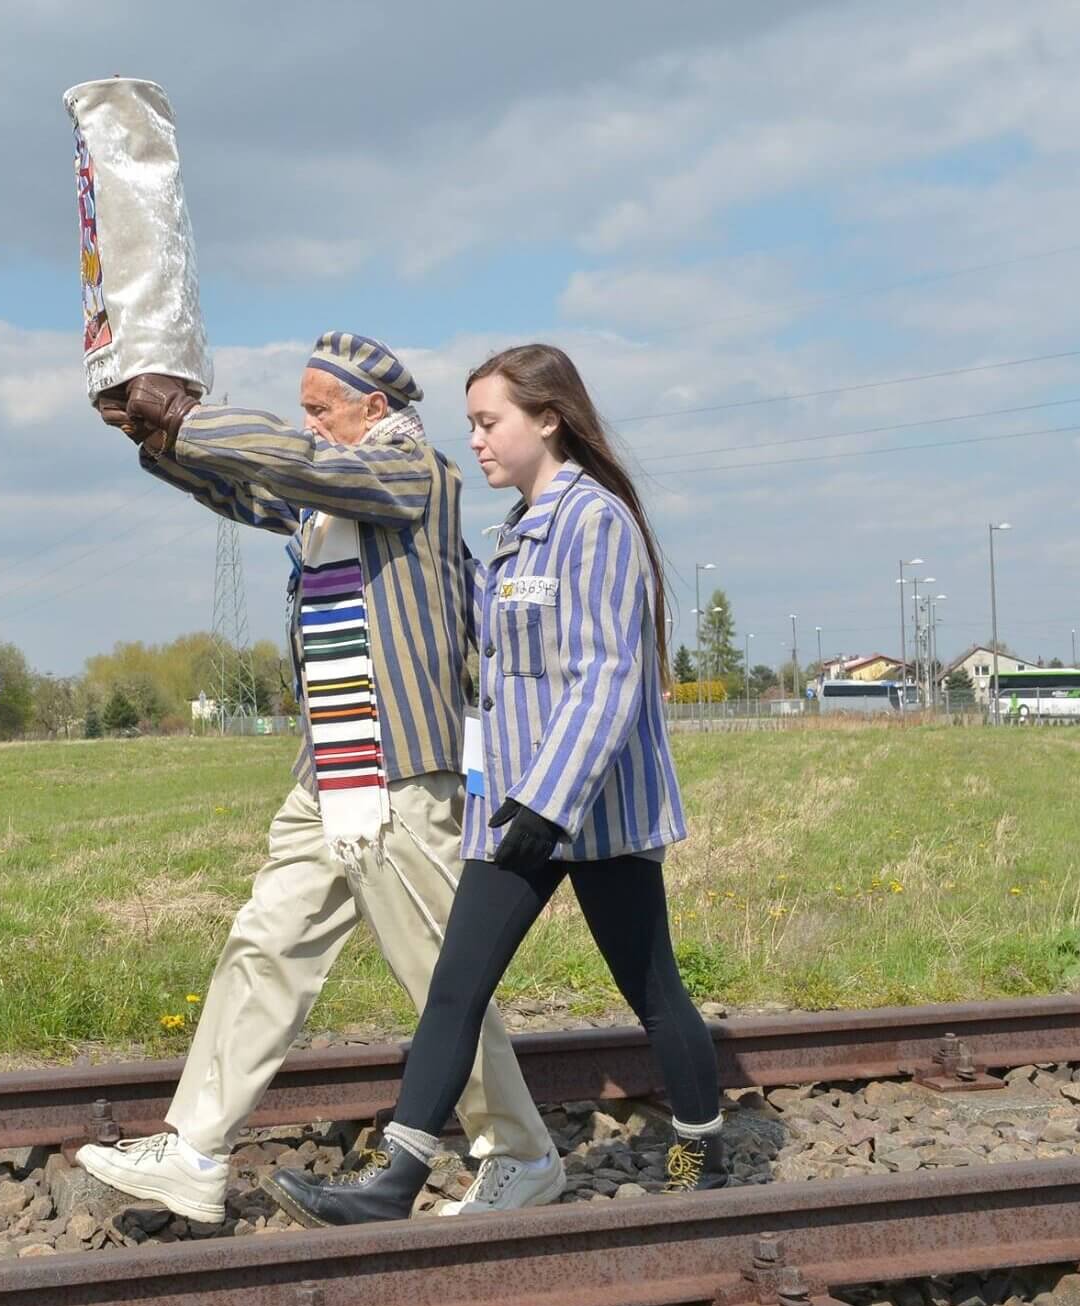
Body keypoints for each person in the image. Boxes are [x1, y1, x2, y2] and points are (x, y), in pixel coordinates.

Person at [73, 333, 562, 1224]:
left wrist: (192, 415)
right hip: (329, 773)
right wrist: (157, 439)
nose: (307, 424)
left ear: (374, 410)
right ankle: (194, 1150)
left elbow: (293, 462)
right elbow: (253, 485)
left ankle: (522, 1153)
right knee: (265, 946)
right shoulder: (327, 490)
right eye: (301, 409)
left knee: (439, 979)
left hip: (401, 773)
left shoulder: (414, 471)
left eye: (319, 407)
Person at [264, 343, 726, 1228]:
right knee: (455, 985)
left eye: (489, 422)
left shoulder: (595, 522)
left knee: (653, 992)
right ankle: (394, 1183)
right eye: (470, 423)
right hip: (512, 809)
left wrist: (547, 801)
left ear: (546, 418)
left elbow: (608, 676)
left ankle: (698, 1150)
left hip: (593, 814)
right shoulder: (510, 534)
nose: (473, 439)